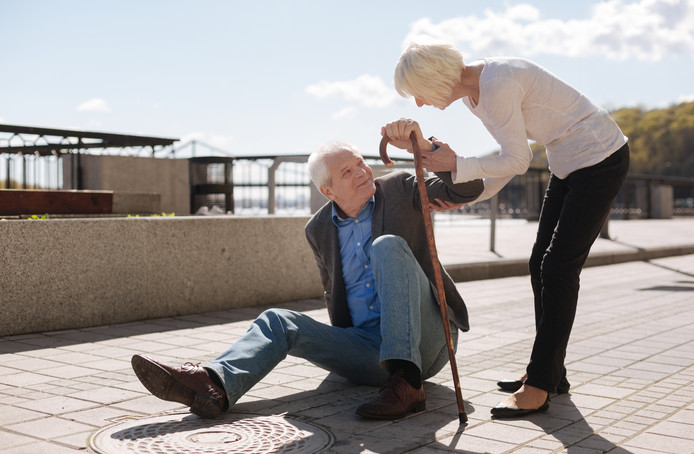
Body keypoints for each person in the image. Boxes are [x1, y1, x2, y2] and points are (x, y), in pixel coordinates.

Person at [131, 140, 483, 420]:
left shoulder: (401, 189)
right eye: (347, 172)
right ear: (329, 192)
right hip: (370, 351)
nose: (361, 171)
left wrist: (431, 152)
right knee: (277, 320)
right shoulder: (318, 229)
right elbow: (335, 295)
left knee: (387, 246)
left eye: (360, 162)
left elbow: (467, 191)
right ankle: (215, 385)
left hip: (430, 342)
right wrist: (339, 347)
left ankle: (408, 382)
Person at [382, 37, 630, 418]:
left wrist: (458, 163)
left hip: (600, 157)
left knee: (558, 268)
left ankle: (540, 385)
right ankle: (551, 373)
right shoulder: (474, 94)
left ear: (435, 78)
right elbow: (504, 163)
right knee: (539, 264)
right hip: (568, 162)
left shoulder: (496, 85)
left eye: (418, 93)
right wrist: (462, 190)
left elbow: (516, 159)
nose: (418, 103)